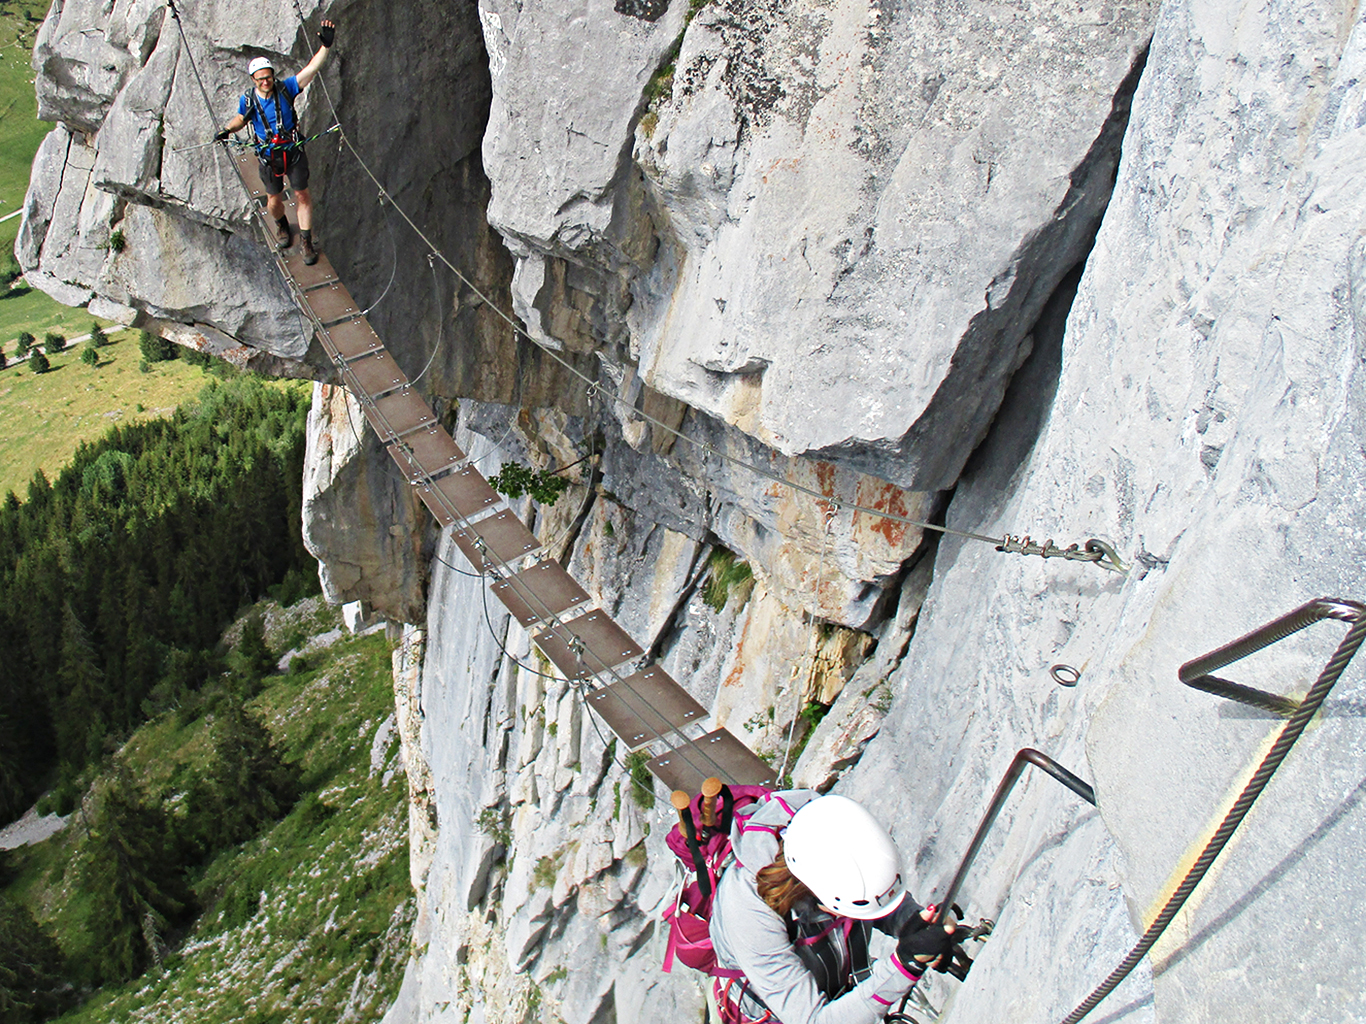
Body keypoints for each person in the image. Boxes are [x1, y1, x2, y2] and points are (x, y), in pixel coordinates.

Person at [709, 792, 957, 1024]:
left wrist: (915, 923)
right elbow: (813, 1019)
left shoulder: (836, 828)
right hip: (778, 1010)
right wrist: (904, 966)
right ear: (817, 894)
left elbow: (873, 894)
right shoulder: (747, 910)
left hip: (831, 970)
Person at [215, 20, 336, 265]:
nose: (265, 82)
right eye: (259, 79)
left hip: (293, 152)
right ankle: (281, 224)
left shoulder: (286, 89)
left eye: (267, 77)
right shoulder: (248, 101)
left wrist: (325, 46)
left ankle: (305, 240)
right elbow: (240, 118)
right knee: (273, 201)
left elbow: (310, 71)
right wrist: (227, 130)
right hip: (268, 157)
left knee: (302, 195)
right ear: (253, 79)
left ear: (272, 75)